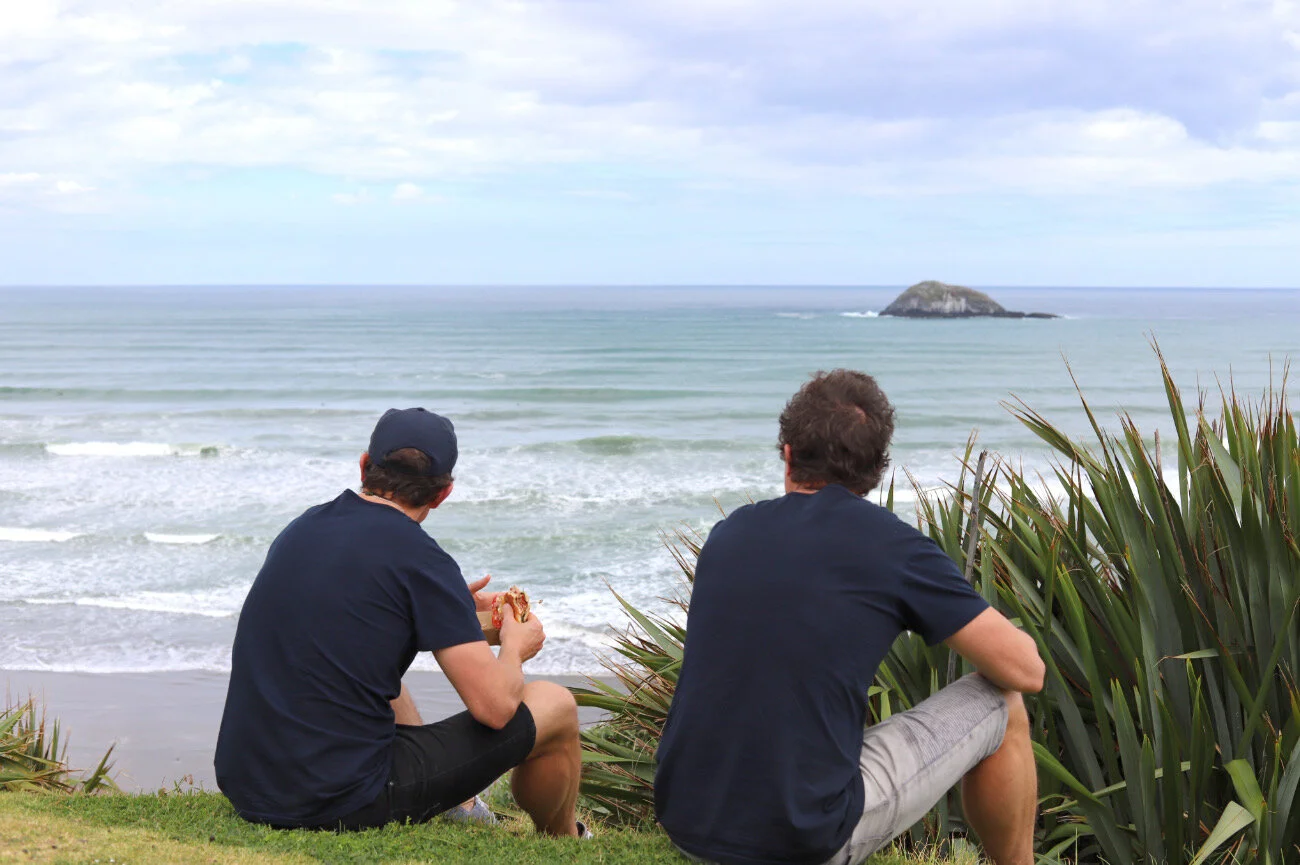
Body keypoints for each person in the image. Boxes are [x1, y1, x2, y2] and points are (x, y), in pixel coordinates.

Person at [654, 370, 1045, 865]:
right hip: (800, 842)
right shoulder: (892, 545)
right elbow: (1026, 673)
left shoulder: (729, 532)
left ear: (789, 453)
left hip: (686, 823)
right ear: (875, 471)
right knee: (1002, 706)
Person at [215, 407, 585, 836]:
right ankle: (562, 837)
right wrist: (516, 647)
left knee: (363, 665)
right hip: (343, 799)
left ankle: (458, 805)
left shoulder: (303, 527)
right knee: (554, 703)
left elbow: (363, 622)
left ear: (363, 466)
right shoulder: (421, 558)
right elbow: (496, 709)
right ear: (442, 493)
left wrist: (452, 610)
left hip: (249, 784)